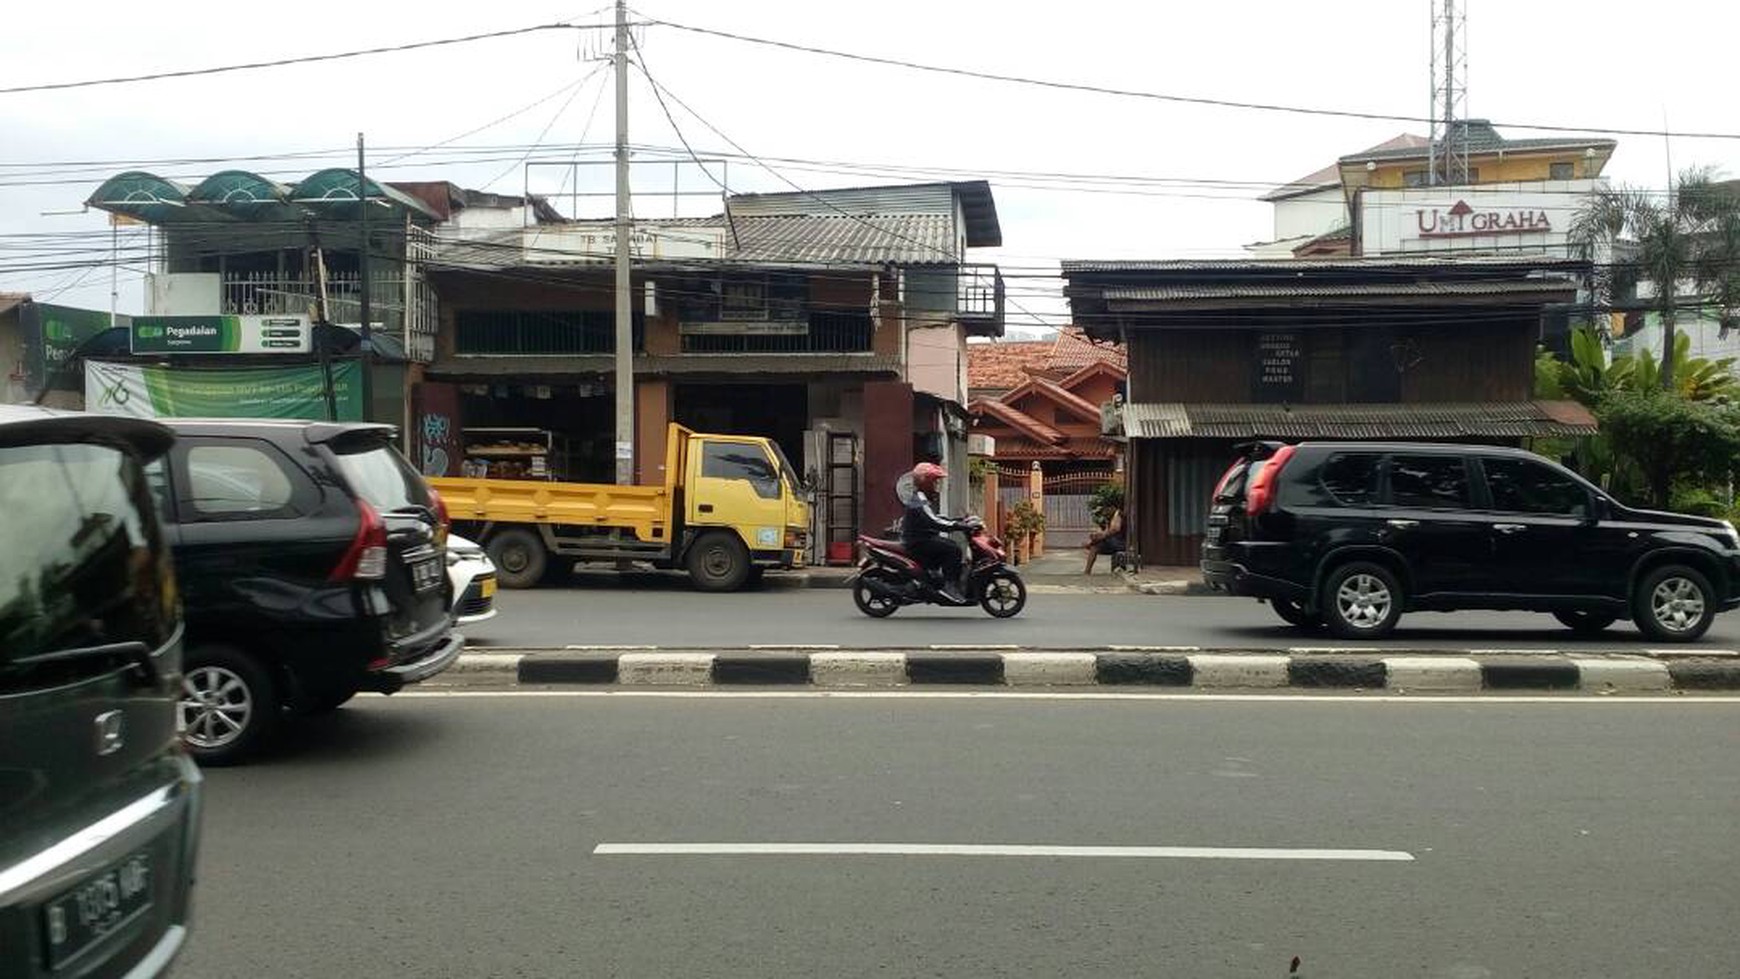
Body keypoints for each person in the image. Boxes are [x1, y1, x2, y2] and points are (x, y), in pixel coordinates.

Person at [899, 462, 968, 603]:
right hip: (918, 541)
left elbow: (936, 518)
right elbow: (933, 521)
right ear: (925, 481)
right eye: (934, 481)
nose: (936, 485)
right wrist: (957, 525)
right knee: (953, 550)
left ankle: (937, 578)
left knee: (949, 545)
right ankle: (949, 587)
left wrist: (958, 521)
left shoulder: (923, 498)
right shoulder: (919, 500)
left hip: (923, 538)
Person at [1083, 504, 1125, 574]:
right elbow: (1106, 531)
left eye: (1106, 510)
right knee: (1095, 546)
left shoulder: (1118, 515)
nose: (1105, 512)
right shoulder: (1110, 517)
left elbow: (1115, 529)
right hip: (1115, 541)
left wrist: (1101, 536)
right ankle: (1087, 570)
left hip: (1121, 542)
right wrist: (1098, 535)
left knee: (1096, 543)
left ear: (1112, 507)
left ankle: (1087, 570)